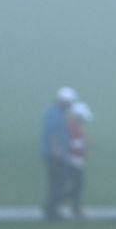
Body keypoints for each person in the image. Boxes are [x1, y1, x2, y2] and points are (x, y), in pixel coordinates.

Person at [40, 87, 77, 221]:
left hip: (58, 154)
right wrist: (57, 151)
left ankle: (52, 208)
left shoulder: (59, 112)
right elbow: (53, 133)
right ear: (64, 101)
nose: (71, 105)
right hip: (55, 155)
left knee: (57, 183)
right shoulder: (55, 113)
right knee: (58, 183)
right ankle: (51, 209)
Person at [61, 100, 93, 220]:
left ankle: (75, 207)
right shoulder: (72, 126)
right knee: (75, 185)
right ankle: (72, 207)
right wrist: (84, 143)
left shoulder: (75, 125)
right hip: (72, 161)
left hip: (77, 161)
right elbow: (69, 143)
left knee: (77, 185)